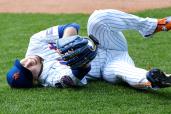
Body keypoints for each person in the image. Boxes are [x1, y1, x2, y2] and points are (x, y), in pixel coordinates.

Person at [6, 9, 171, 89]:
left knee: (97, 18)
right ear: (34, 81)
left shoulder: (35, 42)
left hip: (105, 42)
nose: (28, 62)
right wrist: (80, 64)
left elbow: (71, 26)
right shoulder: (52, 79)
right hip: (108, 65)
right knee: (124, 72)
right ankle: (155, 79)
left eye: (22, 63)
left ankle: (154, 25)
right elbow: (76, 77)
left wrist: (67, 42)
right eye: (28, 70)